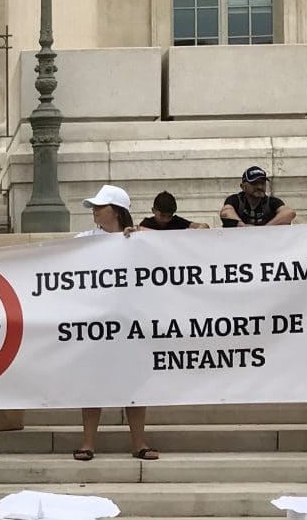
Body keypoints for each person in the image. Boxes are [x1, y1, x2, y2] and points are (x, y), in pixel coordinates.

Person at [74, 186, 158, 463]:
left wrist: (143, 235)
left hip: (133, 322)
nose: (95, 211)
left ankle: (139, 442)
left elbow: (180, 246)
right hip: (97, 323)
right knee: (91, 383)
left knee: (135, 385)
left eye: (101, 206)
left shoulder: (139, 238)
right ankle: (88, 443)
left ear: (117, 210)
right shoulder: (84, 239)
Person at [221, 166, 294, 227]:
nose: (260, 187)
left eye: (262, 183)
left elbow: (289, 213)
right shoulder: (235, 200)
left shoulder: (272, 202)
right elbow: (226, 213)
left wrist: (264, 229)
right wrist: (242, 226)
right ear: (243, 186)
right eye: (254, 183)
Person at [139, 192, 207, 230]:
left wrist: (201, 227)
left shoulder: (177, 222)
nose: (166, 219)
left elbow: (203, 226)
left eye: (169, 216)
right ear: (153, 210)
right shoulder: (146, 224)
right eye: (162, 215)